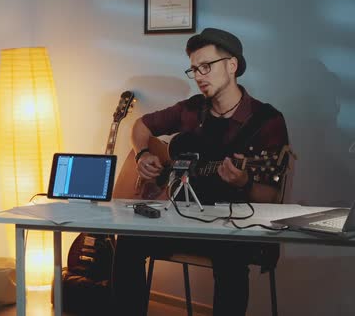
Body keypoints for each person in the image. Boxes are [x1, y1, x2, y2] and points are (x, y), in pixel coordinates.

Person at [112, 28, 290, 315]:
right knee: (128, 241)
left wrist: (244, 182)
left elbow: (269, 195)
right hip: (182, 218)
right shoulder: (192, 109)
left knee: (230, 256)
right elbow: (141, 126)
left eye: (206, 66)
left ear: (232, 66)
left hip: (232, 225)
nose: (198, 76)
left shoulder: (266, 121)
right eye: (193, 69)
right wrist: (144, 154)